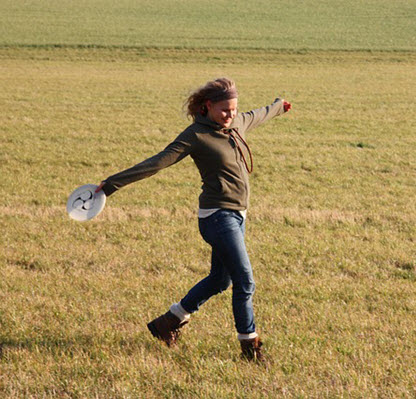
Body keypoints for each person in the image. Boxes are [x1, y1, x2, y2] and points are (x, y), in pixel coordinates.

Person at [95, 77, 291, 362]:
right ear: (208, 106)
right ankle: (250, 347)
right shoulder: (195, 136)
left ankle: (168, 323)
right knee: (245, 281)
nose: (230, 115)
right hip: (216, 217)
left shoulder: (237, 123)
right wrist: (111, 184)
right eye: (224, 110)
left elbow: (259, 114)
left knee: (219, 280)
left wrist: (279, 106)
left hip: (237, 216)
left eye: (234, 109)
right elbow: (157, 162)